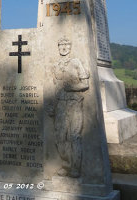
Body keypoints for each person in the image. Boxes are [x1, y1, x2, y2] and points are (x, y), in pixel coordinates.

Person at [49, 37, 89, 178]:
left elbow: (85, 84)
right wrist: (53, 106)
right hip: (60, 104)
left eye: (66, 45)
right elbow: (56, 87)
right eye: (61, 45)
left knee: (74, 136)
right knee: (60, 137)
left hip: (74, 103)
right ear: (58, 47)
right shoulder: (55, 65)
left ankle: (75, 168)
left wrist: (72, 87)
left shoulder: (76, 62)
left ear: (70, 47)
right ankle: (66, 164)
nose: (64, 47)